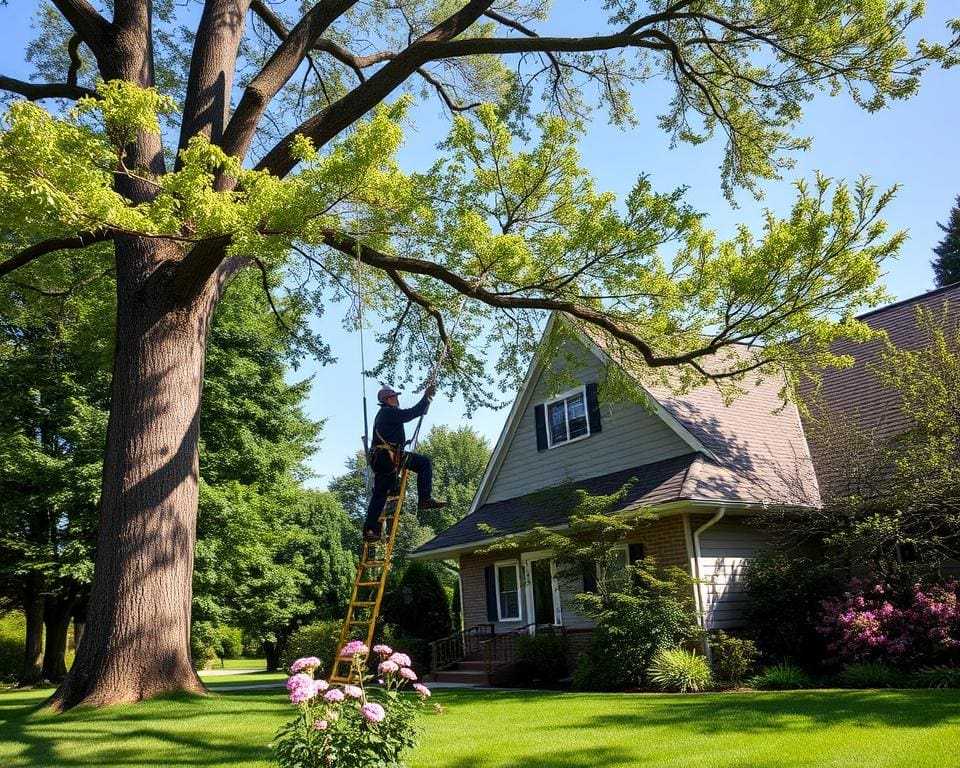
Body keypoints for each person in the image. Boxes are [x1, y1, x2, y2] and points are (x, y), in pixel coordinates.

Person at [362, 384, 446, 542]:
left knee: (381, 494)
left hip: (388, 458)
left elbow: (417, 412)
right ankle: (424, 499)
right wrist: (425, 397)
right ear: (387, 400)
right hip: (387, 458)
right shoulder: (388, 412)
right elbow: (411, 413)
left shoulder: (386, 414)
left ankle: (371, 530)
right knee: (423, 464)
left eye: (396, 397)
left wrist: (427, 400)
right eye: (394, 397)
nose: (397, 399)